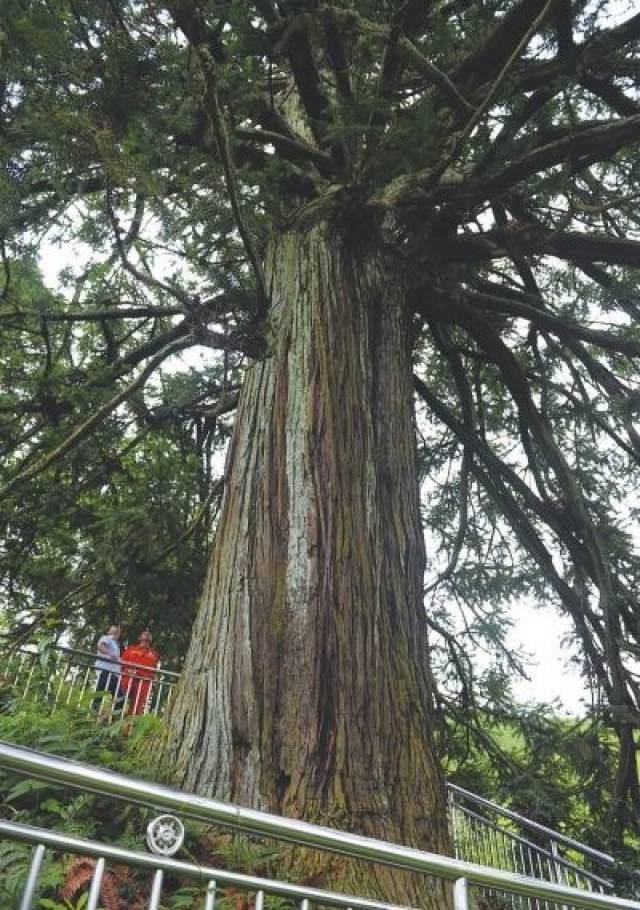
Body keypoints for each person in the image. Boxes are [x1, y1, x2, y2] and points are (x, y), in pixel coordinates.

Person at [120, 629, 160, 715]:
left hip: (143, 683)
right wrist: (127, 671)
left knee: (136, 708)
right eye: (144, 634)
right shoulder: (131, 649)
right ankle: (109, 721)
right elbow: (122, 664)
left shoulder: (154, 654)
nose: (147, 635)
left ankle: (128, 727)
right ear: (139, 637)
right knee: (119, 701)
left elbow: (153, 671)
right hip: (128, 679)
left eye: (149, 634)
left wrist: (150, 678)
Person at [92, 623, 124, 714]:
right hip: (105, 671)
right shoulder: (106, 638)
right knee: (100, 695)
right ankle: (92, 715)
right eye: (114, 628)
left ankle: (112, 718)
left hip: (113, 674)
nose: (117, 630)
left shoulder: (116, 644)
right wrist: (110, 654)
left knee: (119, 697)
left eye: (118, 630)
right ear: (109, 631)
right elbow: (101, 646)